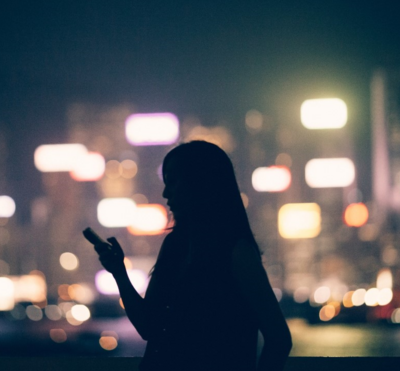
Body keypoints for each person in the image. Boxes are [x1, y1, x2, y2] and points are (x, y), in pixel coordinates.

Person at [93, 141, 292, 371]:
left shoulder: (235, 251)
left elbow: (279, 339)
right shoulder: (178, 245)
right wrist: (119, 272)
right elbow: (149, 326)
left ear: (200, 184)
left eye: (174, 182)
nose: (166, 192)